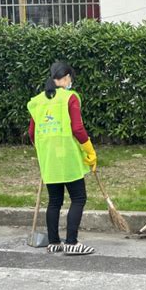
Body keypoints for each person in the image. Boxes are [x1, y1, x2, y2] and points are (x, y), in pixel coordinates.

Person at [27, 61, 97, 255]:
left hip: (49, 157)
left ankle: (54, 242)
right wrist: (90, 151)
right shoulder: (70, 98)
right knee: (78, 197)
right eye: (70, 79)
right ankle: (72, 243)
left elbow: (32, 133)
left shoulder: (38, 100)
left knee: (54, 200)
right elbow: (78, 128)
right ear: (66, 78)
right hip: (69, 156)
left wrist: (43, 150)